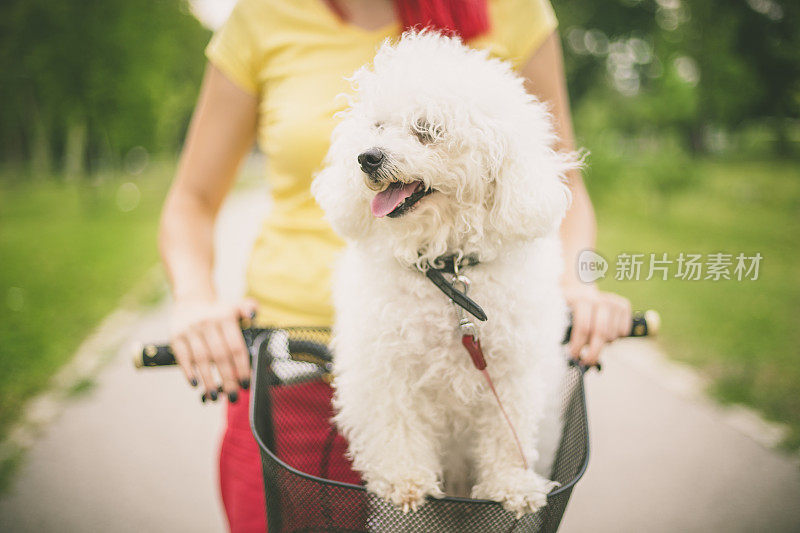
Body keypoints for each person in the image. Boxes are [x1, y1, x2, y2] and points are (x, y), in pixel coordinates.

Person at [158, 0, 633, 530]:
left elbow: (564, 189)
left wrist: (581, 281)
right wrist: (194, 299)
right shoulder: (262, 16)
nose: (374, 155)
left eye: (425, 133)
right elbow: (190, 200)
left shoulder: (515, 10)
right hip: (289, 368)